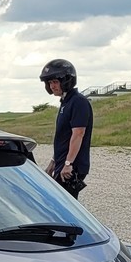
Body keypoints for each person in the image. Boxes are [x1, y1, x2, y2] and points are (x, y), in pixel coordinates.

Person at [41, 58, 91, 195]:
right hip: (62, 163)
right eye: (50, 82)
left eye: (55, 82)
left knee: (64, 208)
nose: (52, 86)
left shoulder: (78, 102)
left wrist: (68, 164)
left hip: (71, 167)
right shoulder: (66, 102)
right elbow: (64, 138)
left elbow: (78, 133)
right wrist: (53, 163)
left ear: (66, 81)